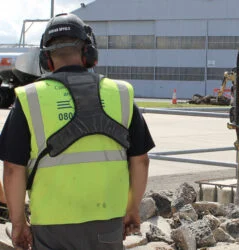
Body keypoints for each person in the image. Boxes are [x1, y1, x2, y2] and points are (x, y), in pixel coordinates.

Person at [0, 13, 154, 250]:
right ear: (89, 53)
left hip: (51, 226)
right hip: (108, 220)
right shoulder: (122, 94)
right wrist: (132, 209)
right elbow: (141, 161)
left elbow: (12, 169)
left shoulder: (29, 99)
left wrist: (19, 223)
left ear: (46, 59)